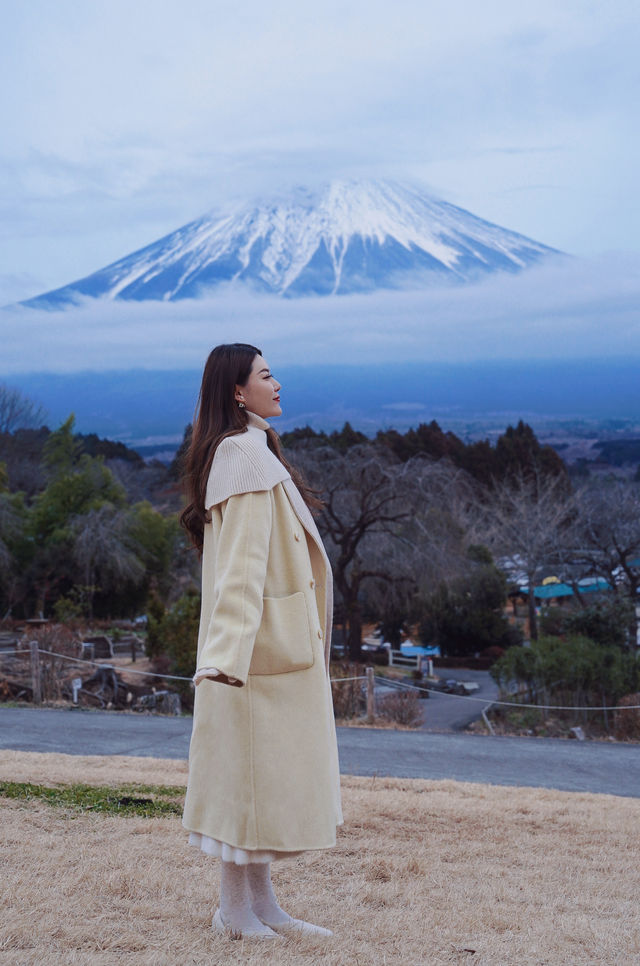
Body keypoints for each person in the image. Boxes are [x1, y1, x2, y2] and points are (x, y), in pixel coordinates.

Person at [180, 343, 343, 940]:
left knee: (262, 778)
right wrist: (225, 658)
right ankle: (234, 908)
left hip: (275, 647)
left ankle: (262, 903)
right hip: (252, 654)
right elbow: (242, 567)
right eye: (267, 375)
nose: (278, 384)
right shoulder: (243, 458)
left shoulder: (252, 450)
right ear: (237, 392)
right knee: (242, 781)